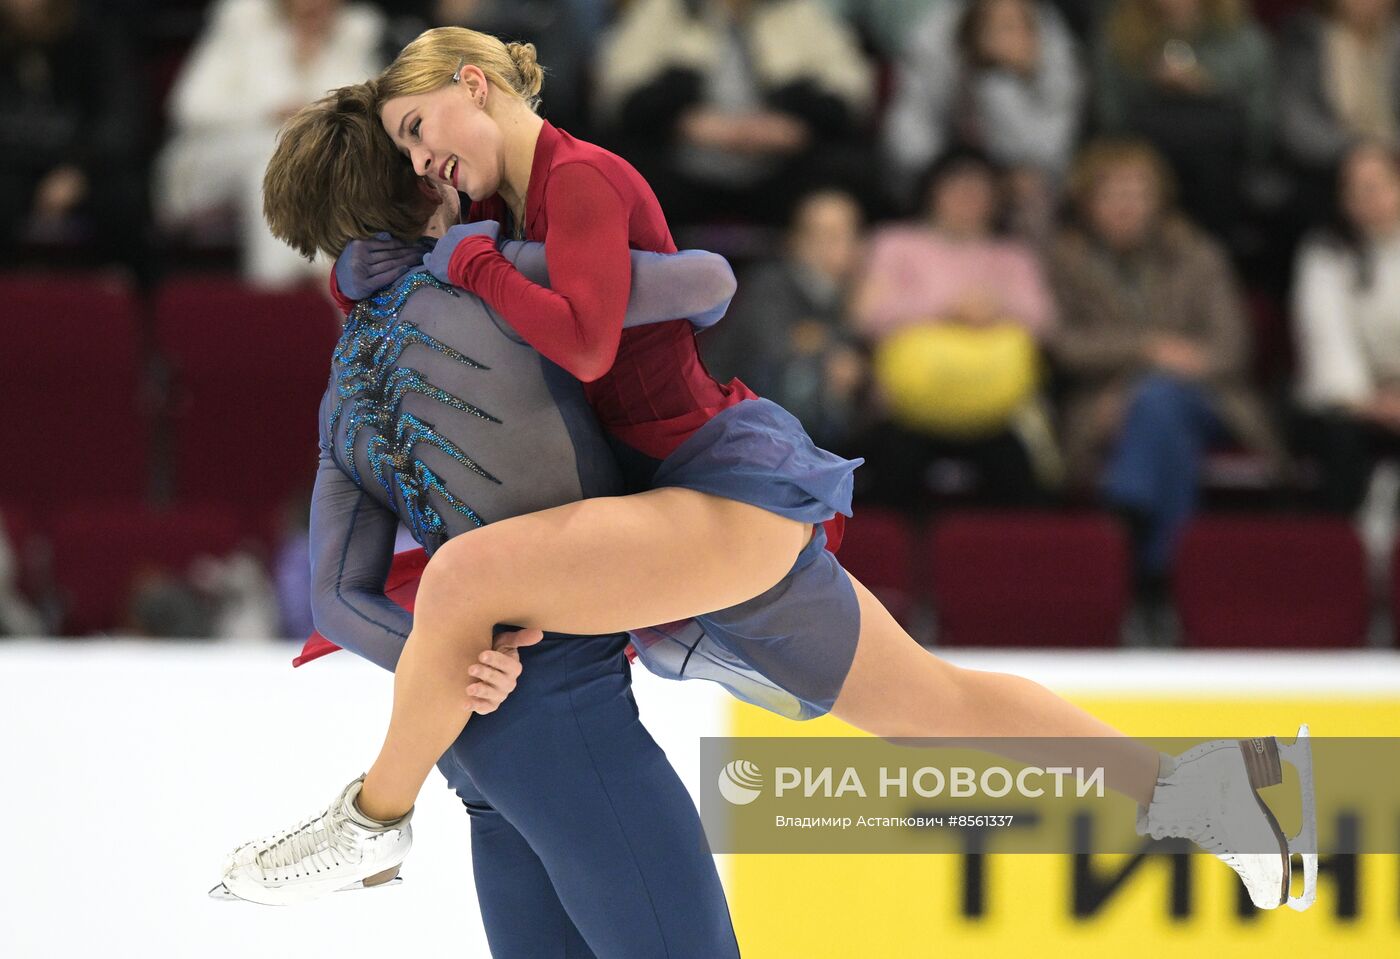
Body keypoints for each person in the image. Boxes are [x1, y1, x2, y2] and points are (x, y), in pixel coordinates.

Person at [226, 28, 1316, 915]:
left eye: (421, 131)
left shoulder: (568, 182)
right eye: (407, 155)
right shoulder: (500, 213)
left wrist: (472, 262)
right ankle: (1202, 789)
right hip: (681, 510)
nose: (425, 162)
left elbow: (677, 296)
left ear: (472, 83)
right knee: (932, 703)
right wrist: (447, 256)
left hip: (708, 490)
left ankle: (373, 817)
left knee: (468, 582)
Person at [215, 82, 747, 958]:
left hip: (474, 747)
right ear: (427, 182)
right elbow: (706, 284)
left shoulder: (341, 393)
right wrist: (501, 255)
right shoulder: (489, 278)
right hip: (568, 712)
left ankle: (367, 824)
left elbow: (337, 600)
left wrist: (456, 662)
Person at [1047, 139, 1280, 583]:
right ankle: (1162, 573)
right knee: (1162, 420)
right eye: (1112, 195)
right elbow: (1062, 345)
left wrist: (1149, 383)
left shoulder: (1198, 255)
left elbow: (1233, 346)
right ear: (1086, 203)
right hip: (1101, 402)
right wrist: (1146, 348)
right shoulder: (1063, 262)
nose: (1125, 207)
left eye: (1137, 194)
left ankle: (1131, 511)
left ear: (1160, 201)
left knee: (1157, 400)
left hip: (1208, 396)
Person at [850, 147, 1058, 508]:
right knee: (892, 463)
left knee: (1020, 473)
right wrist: (945, 308)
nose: (967, 200)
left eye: (979, 192)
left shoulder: (1012, 256)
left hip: (995, 408)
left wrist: (997, 308)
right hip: (906, 406)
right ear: (933, 191)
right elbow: (868, 315)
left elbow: (1044, 319)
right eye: (956, 189)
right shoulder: (896, 243)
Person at [155, 0, 387, 286]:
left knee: (311, 160)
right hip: (212, 161)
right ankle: (280, 289)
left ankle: (302, 285)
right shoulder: (241, 23)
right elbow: (190, 107)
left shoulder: (356, 34)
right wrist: (269, 113)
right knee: (278, 154)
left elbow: (368, 123)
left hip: (311, 169)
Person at [700, 187, 868, 450]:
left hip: (788, 431)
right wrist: (829, 358)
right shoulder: (769, 284)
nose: (830, 248)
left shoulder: (848, 296)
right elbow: (773, 354)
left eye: (841, 235)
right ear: (794, 240)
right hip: (727, 419)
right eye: (820, 235)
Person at [1292, 141, 1400, 514]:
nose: (1364, 198)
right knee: (1339, 435)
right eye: (1353, 188)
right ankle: (1343, 539)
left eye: (1374, 185)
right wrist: (1368, 402)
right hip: (1351, 404)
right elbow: (1326, 337)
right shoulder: (1324, 253)